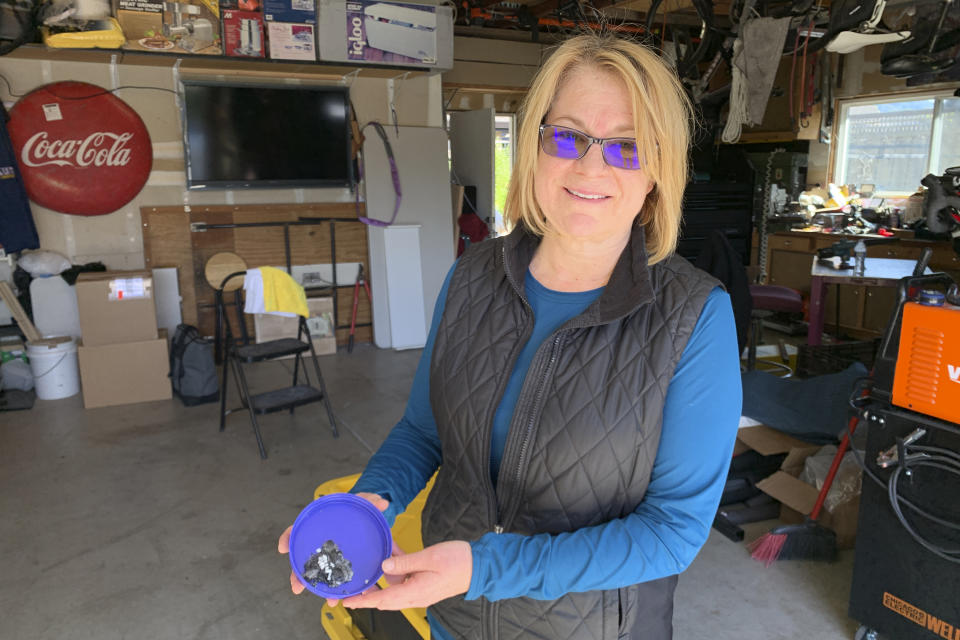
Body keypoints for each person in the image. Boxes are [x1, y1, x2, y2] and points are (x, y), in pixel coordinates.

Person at [279, 31, 742, 640]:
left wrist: (486, 567)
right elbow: (424, 429)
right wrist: (369, 502)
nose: (590, 165)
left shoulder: (695, 316)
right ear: (536, 143)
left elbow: (671, 531)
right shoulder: (473, 276)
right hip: (456, 617)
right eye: (569, 135)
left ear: (657, 172)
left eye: (627, 147)